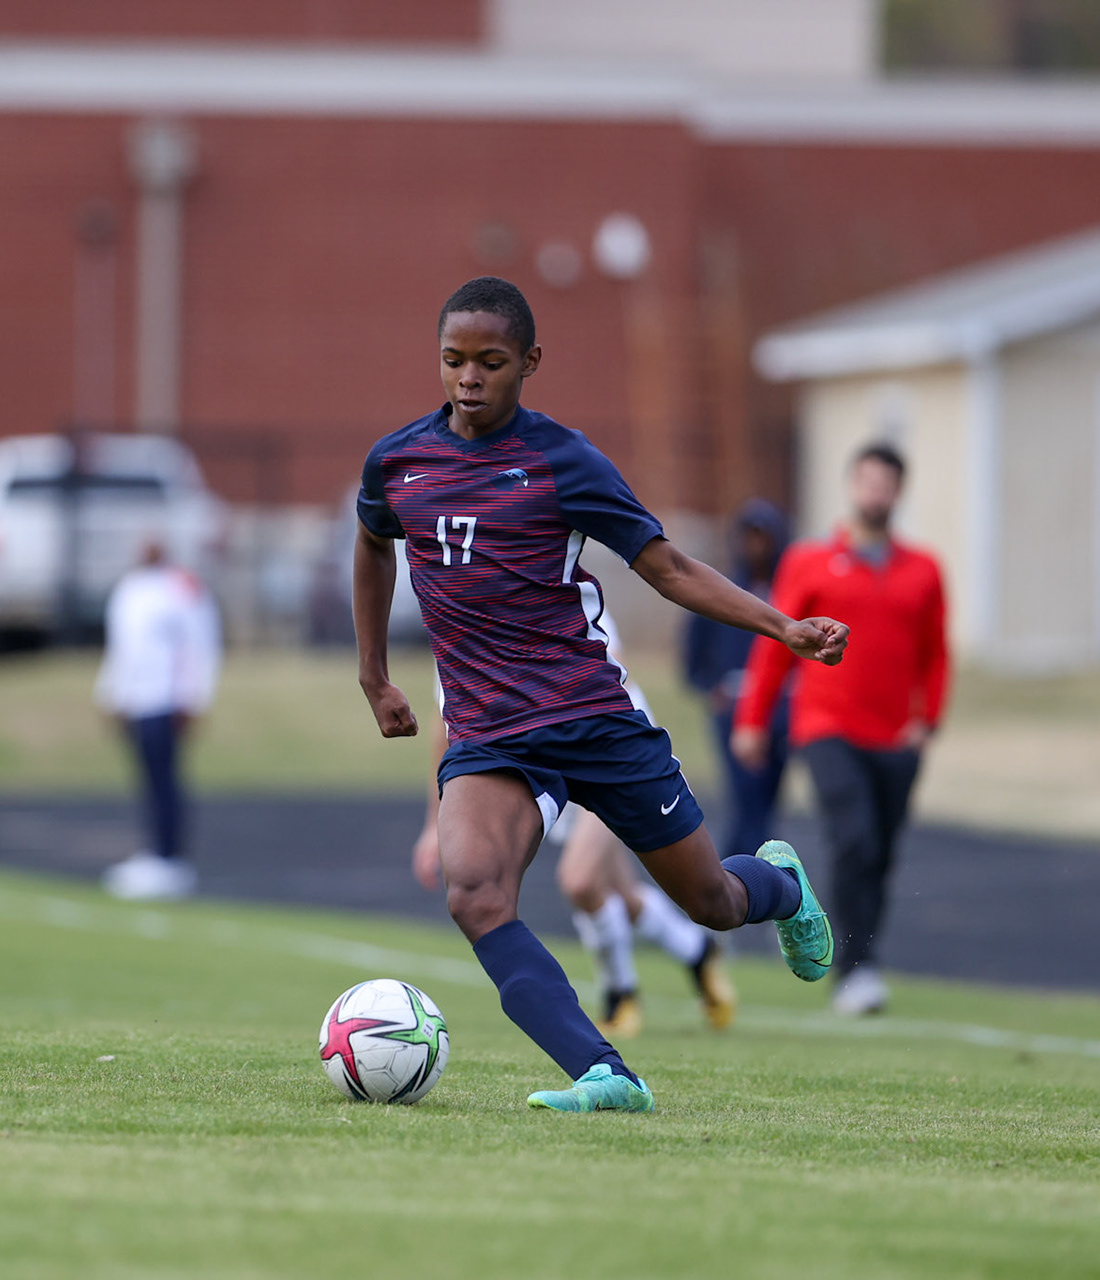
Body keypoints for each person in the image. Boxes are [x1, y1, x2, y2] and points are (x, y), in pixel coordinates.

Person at [354, 276, 849, 1113]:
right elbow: (371, 544)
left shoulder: (563, 462)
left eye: (490, 361)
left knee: (711, 904)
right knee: (474, 893)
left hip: (593, 718)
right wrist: (374, 676)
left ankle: (783, 887)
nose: (468, 378)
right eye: (452, 360)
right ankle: (606, 1072)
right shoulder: (400, 461)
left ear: (530, 363)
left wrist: (783, 627)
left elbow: (670, 569)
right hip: (491, 732)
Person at [410, 622, 735, 1040]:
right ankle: (696, 951)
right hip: (542, 763)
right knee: (617, 894)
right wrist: (431, 826)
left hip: (606, 752)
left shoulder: (546, 586)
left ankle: (621, 995)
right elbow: (446, 728)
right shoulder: (455, 619)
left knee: (580, 879)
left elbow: (614, 668)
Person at [731, 443, 949, 1017]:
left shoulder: (924, 570)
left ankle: (865, 963)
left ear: (899, 492)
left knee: (879, 852)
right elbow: (776, 641)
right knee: (852, 836)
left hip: (897, 737)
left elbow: (936, 653)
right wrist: (753, 720)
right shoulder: (809, 560)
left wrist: (929, 721)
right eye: (867, 481)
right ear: (852, 485)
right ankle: (851, 970)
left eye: (887, 483)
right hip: (826, 727)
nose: (876, 493)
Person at [97, 538, 221, 902]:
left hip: (167, 698)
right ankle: (155, 853)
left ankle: (171, 858)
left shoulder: (182, 588)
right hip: (135, 699)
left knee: (167, 780)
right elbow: (121, 647)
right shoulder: (129, 589)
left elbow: (202, 644)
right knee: (147, 779)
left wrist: (195, 697)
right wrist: (111, 695)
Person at [682, 499, 792, 857]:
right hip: (733, 706)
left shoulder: (789, 592)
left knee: (768, 796)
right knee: (746, 794)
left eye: (764, 537)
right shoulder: (723, 592)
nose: (757, 546)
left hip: (781, 709)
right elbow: (693, 648)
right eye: (750, 537)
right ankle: (749, 872)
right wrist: (709, 686)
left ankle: (742, 874)